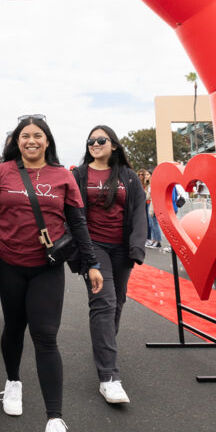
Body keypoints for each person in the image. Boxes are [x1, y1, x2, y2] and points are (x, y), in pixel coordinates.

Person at [0, 115, 101, 432]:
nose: (31, 141)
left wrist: (92, 264)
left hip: (48, 266)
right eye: (24, 136)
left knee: (46, 336)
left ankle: (55, 421)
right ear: (16, 141)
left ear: (47, 141)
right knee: (14, 327)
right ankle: (14, 380)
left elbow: (78, 223)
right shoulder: (1, 173)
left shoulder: (64, 176)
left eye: (37, 136)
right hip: (9, 263)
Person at [72, 126, 147, 404]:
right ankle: (109, 377)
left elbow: (139, 210)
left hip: (122, 250)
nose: (95, 144)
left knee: (117, 302)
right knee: (103, 302)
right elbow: (71, 211)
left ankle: (106, 346)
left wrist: (137, 247)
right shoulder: (79, 175)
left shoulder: (128, 176)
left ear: (113, 145)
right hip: (93, 248)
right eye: (90, 140)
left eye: (101, 140)